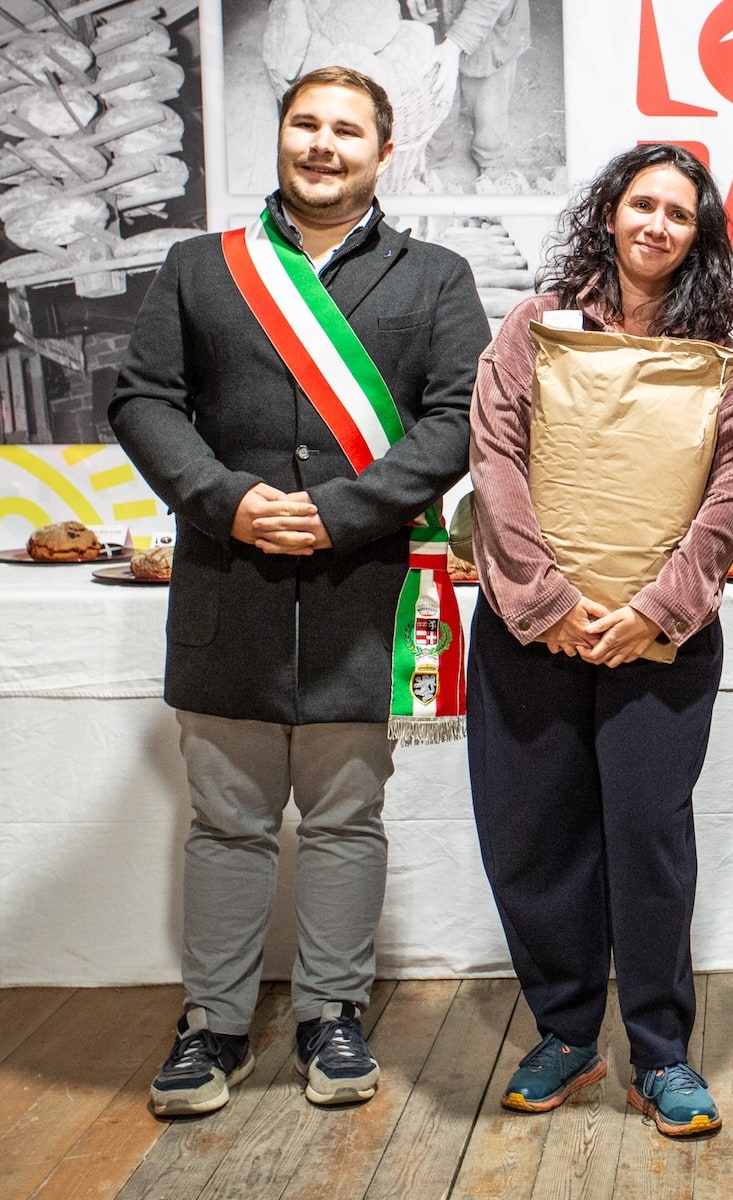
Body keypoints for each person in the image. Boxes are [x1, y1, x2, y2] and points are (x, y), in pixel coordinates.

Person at [110, 66, 488, 1117]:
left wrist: (346, 509)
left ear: (385, 152)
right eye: (305, 125)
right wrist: (223, 498)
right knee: (226, 818)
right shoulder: (200, 267)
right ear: (279, 137)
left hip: (359, 585)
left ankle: (332, 1015)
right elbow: (143, 399)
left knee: (344, 814)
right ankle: (213, 1026)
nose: (323, 145)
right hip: (228, 579)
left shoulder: (437, 278)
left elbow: (457, 418)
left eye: (346, 131)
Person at [463, 142, 733, 1136]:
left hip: (660, 640)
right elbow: (495, 459)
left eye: (681, 213)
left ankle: (663, 1055)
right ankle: (567, 1033)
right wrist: (550, 601)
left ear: (698, 236)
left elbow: (729, 484)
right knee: (535, 834)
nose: (658, 225)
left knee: (648, 839)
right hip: (529, 630)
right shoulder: (535, 327)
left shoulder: (720, 348)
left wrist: (655, 610)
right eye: (644, 204)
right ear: (611, 212)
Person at [414, 0, 530, 189]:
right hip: (441, 11)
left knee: (489, 105)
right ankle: (436, 154)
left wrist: (455, 42)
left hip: (492, 20)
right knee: (438, 89)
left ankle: (490, 158)